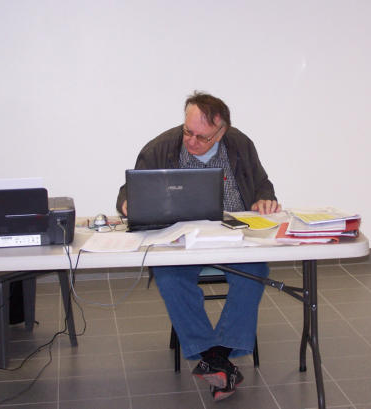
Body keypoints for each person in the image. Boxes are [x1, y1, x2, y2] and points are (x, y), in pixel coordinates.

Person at [116, 91, 281, 401]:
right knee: (169, 275)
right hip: (180, 241)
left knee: (255, 270)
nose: (191, 141)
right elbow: (129, 190)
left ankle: (216, 356)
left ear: (221, 132)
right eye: (187, 131)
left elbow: (262, 183)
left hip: (233, 237)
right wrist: (128, 203)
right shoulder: (161, 147)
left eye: (202, 137)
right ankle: (214, 356)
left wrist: (264, 198)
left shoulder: (240, 144)